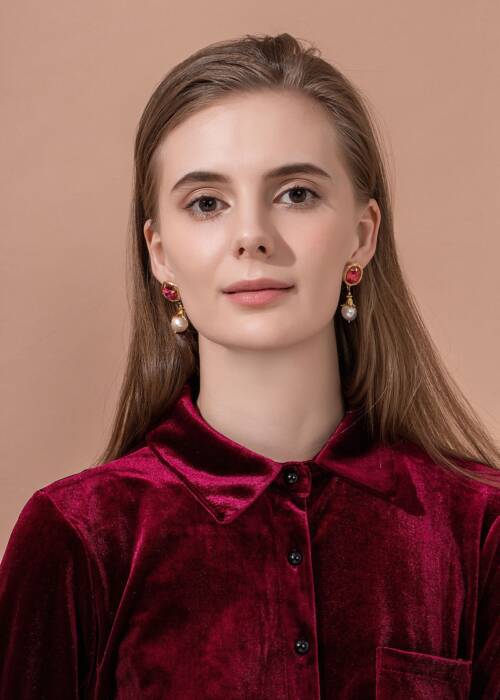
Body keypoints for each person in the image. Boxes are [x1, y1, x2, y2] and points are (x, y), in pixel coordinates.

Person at [0, 32, 499, 700]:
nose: (252, 237)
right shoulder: (78, 539)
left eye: (295, 193)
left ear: (362, 235)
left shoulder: (480, 529)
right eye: (207, 203)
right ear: (160, 255)